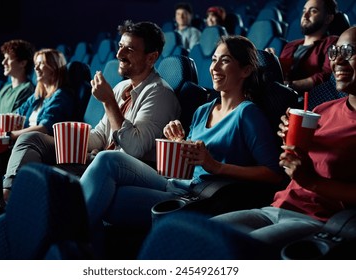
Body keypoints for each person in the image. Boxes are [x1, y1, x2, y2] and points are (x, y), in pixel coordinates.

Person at [79, 35, 285, 256]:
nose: (214, 67)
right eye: (214, 59)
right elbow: (192, 162)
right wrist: (179, 144)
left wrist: (216, 166)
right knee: (107, 161)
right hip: (177, 184)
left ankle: (62, 240)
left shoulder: (248, 114)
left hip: (201, 198)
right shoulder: (203, 110)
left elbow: (273, 175)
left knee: (107, 201)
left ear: (245, 70)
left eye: (224, 61)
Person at [202, 25, 356, 257]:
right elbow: (301, 161)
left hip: (320, 221)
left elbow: (310, 178)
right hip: (276, 206)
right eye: (335, 52)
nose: (338, 61)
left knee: (232, 253)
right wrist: (291, 139)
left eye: (349, 51)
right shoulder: (322, 110)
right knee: (200, 237)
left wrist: (310, 181)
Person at [1, 20, 181, 202]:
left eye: (130, 49)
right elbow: (102, 136)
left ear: (151, 58)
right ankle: (10, 198)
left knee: (54, 173)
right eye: (120, 47)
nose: (119, 54)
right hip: (98, 158)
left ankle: (24, 209)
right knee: (32, 140)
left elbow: (135, 149)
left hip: (125, 169)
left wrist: (108, 101)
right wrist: (69, 140)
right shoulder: (121, 88)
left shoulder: (160, 93)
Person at [266, 0, 338, 95]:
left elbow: (327, 76)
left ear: (328, 18)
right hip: (281, 96)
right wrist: (272, 62)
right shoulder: (290, 46)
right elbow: (281, 76)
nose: (305, 15)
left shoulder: (332, 42)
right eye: (304, 11)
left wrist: (290, 85)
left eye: (313, 11)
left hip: (309, 100)